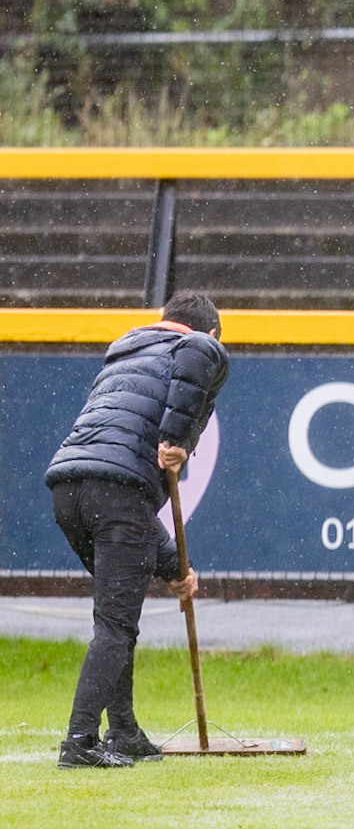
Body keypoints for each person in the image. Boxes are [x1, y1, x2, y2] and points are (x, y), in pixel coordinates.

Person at [43, 291, 228, 768]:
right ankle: (80, 741)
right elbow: (202, 355)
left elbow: (137, 521)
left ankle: (123, 731)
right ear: (206, 331)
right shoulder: (200, 347)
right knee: (116, 624)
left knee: (116, 619)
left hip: (70, 489)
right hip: (117, 492)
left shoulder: (128, 350)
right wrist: (176, 440)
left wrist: (174, 567)